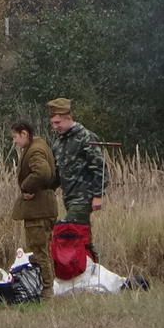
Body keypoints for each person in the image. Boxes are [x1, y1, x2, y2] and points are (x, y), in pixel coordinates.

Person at [47, 97, 107, 230]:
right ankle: (88, 252)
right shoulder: (59, 143)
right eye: (53, 123)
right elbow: (57, 172)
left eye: (58, 122)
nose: (55, 127)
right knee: (80, 236)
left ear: (68, 117)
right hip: (68, 197)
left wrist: (98, 195)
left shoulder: (86, 137)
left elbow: (99, 168)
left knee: (68, 230)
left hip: (84, 198)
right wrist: (43, 189)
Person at [10, 119, 56, 285]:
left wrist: (27, 187)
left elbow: (43, 172)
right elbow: (53, 175)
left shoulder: (35, 150)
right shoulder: (41, 145)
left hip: (38, 211)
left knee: (39, 251)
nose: (15, 141)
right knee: (45, 250)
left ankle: (46, 290)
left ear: (24, 133)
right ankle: (48, 286)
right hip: (46, 207)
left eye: (16, 136)